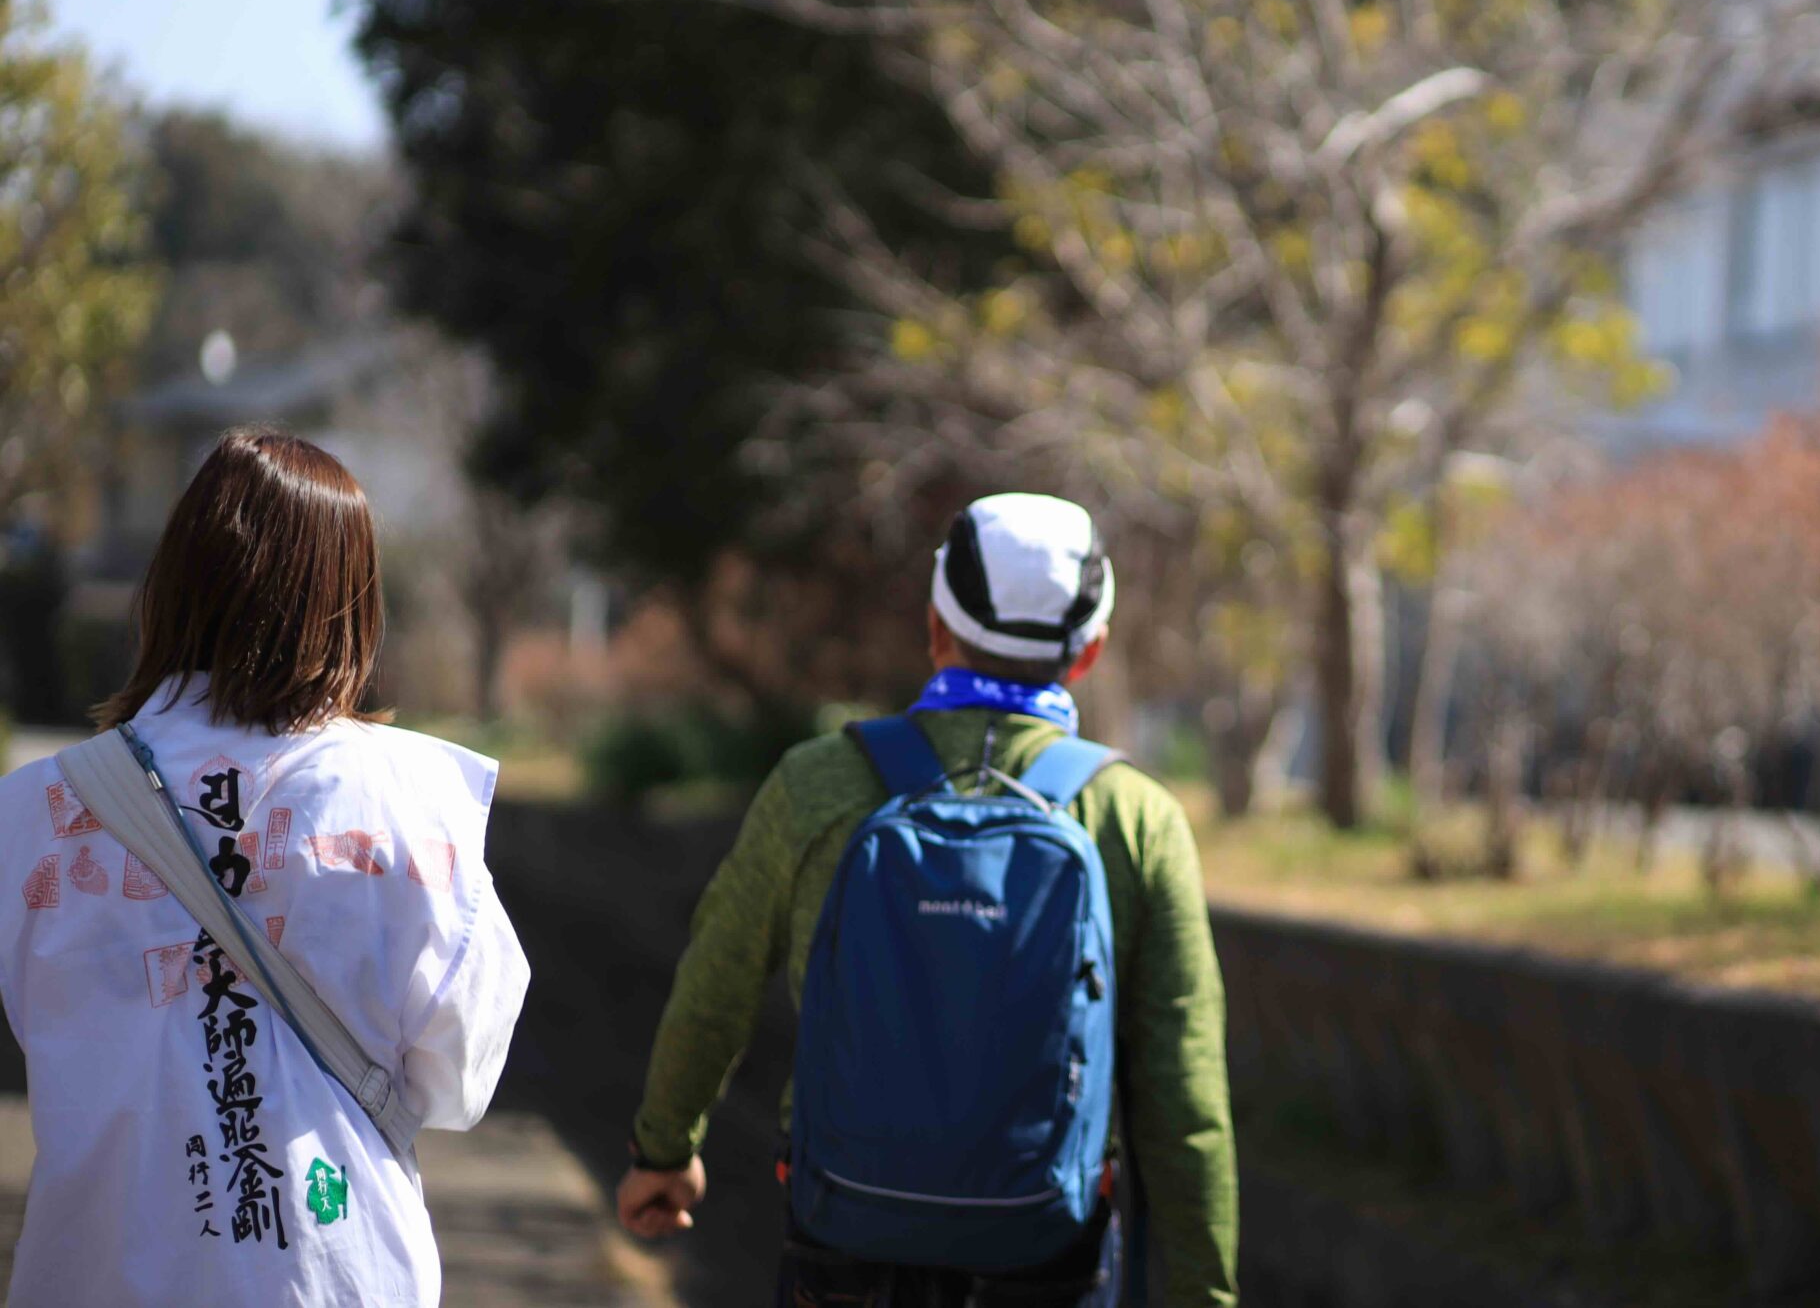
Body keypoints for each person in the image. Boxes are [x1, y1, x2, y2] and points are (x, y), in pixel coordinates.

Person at [618, 493, 1240, 1307]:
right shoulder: (1136, 817)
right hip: (1048, 1250)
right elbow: (1185, 1095)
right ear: (1089, 652)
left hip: (845, 1232)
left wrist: (663, 1151)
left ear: (935, 627)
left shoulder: (818, 784)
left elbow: (716, 984)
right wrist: (1203, 1292)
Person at [0, 429, 531, 1307]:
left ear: (173, 586)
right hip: (333, 1278)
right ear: (350, 602)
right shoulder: (409, 806)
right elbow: (460, 1079)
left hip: (94, 1274)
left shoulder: (37, 813)